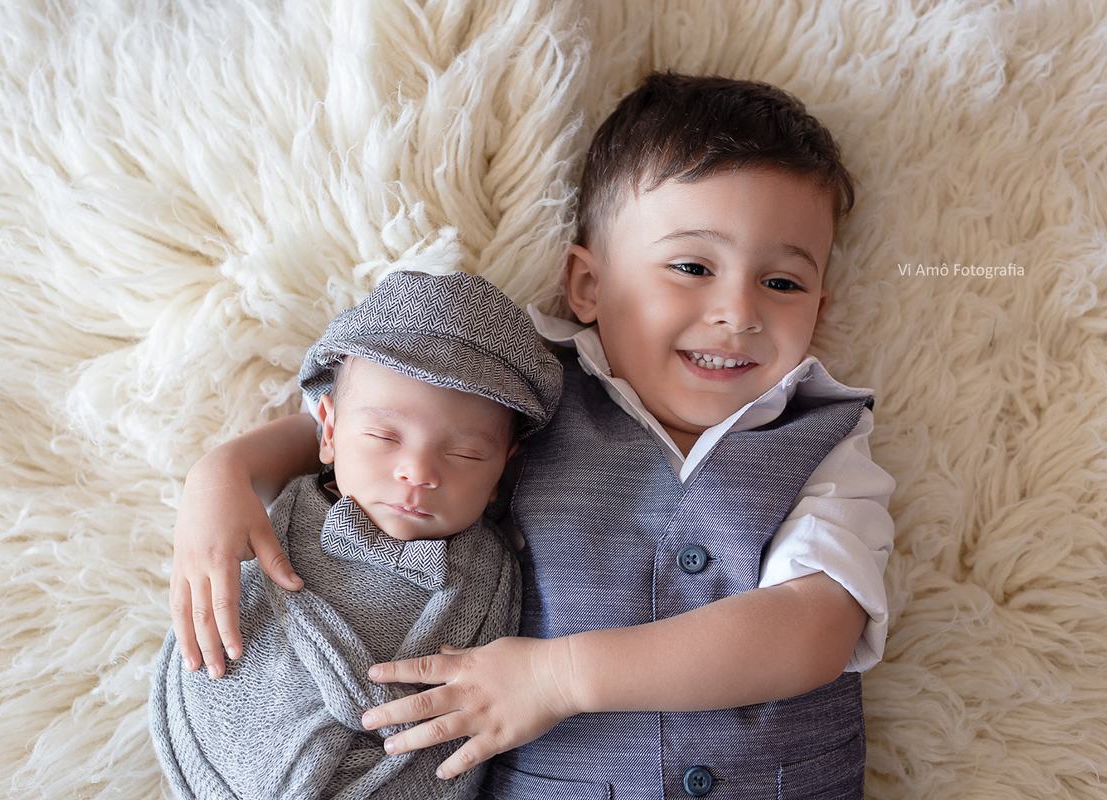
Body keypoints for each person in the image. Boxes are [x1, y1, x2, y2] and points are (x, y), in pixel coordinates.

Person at [168, 73, 896, 799]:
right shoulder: (526, 386)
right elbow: (373, 425)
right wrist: (225, 476)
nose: (738, 312)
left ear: (821, 310)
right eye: (692, 267)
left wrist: (559, 676)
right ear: (587, 286)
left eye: (783, 284)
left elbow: (811, 630)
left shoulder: (825, 441)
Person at [150, 271, 563, 800]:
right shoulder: (286, 509)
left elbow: (468, 720)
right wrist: (215, 477)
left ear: (501, 473)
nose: (417, 471)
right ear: (327, 431)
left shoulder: (493, 575)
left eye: (465, 454)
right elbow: (222, 622)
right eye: (382, 436)